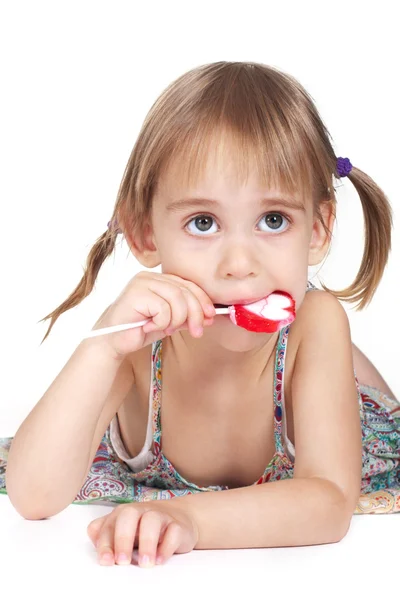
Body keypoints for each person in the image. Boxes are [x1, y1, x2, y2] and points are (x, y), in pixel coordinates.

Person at [2, 61, 399, 569]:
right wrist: (102, 345)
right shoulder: (136, 344)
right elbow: (32, 497)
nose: (239, 266)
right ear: (145, 234)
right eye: (203, 222)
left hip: (351, 419)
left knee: (338, 355)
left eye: (273, 220)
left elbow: (328, 503)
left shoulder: (316, 322)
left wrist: (193, 520)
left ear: (319, 230)